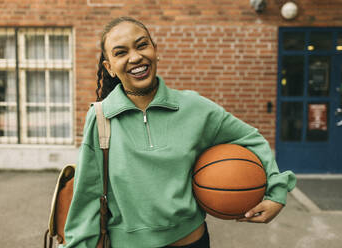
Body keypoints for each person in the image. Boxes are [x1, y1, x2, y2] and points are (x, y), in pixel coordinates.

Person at [62, 16, 296, 248]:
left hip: (192, 241)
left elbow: (251, 138)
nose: (135, 57)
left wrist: (276, 193)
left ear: (156, 50)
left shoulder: (194, 107)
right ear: (109, 67)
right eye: (120, 52)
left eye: (142, 45)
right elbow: (88, 195)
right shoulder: (101, 117)